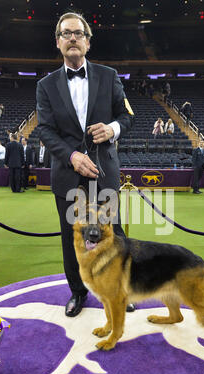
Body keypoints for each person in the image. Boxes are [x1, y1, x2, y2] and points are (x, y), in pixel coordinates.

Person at [36, 11, 135, 318]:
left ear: (88, 42)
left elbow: (127, 116)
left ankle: (119, 290)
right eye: (66, 34)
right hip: (68, 177)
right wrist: (72, 156)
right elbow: (45, 130)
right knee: (72, 239)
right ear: (58, 42)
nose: (73, 38)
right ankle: (78, 293)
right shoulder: (45, 85)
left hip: (104, 175)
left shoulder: (109, 75)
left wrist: (112, 129)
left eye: (78, 33)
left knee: (114, 236)